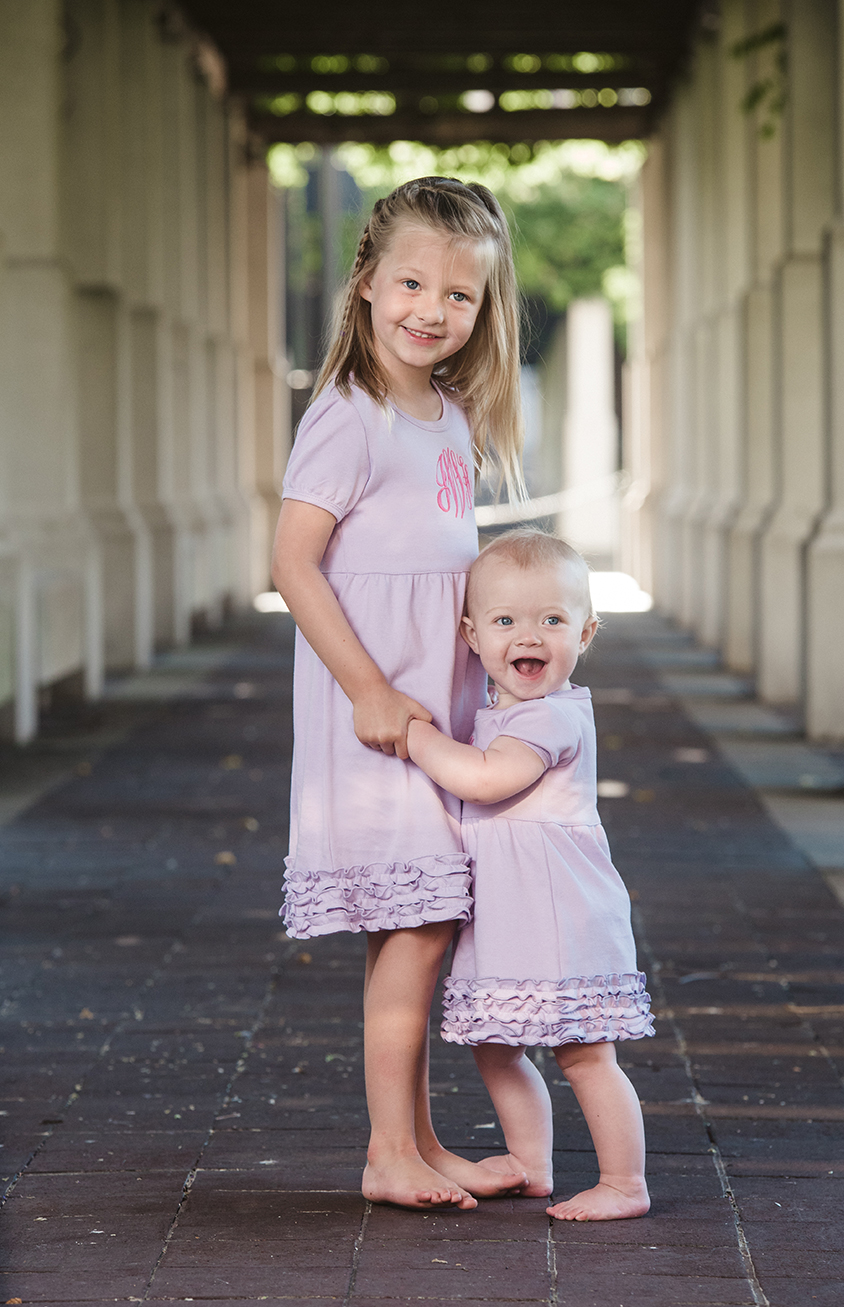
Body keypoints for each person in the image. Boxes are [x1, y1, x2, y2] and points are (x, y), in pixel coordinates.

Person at [271, 177, 528, 1210]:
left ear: (484, 308)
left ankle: (418, 1139)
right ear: (367, 283)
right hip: (376, 717)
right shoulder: (350, 416)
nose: (433, 309)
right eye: (413, 284)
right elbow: (293, 563)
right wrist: (371, 690)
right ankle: (388, 1152)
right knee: (418, 929)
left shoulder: (448, 415)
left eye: (459, 295)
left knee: (417, 927)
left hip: (438, 713)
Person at [407, 530, 655, 1221]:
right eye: (505, 620)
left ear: (586, 632)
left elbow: (487, 780)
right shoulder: (503, 713)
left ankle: (624, 1183)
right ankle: (529, 1160)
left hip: (560, 913)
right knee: (496, 1047)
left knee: (584, 1055)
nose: (529, 636)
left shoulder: (551, 718)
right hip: (515, 915)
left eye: (552, 619)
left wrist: (415, 735)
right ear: (472, 636)